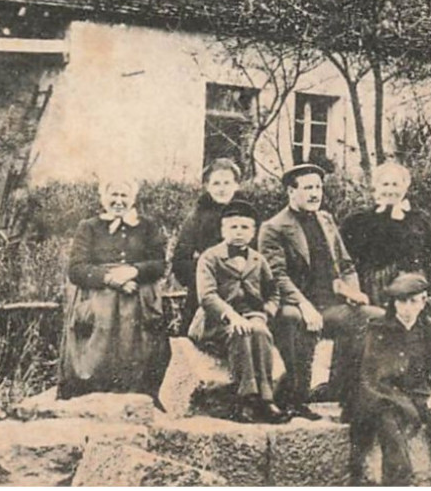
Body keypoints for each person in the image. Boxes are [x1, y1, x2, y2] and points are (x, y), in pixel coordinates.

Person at [260, 163, 384, 420]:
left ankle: (350, 396)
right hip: (292, 303)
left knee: (372, 317)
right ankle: (294, 398)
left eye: (318, 187)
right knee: (294, 320)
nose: (315, 194)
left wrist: (352, 291)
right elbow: (277, 277)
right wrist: (304, 305)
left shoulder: (326, 220)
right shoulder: (273, 227)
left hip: (330, 305)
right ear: (291, 192)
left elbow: (346, 264)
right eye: (308, 188)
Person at [353, 273, 431, 486]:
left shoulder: (428, 330)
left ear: (423, 302)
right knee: (393, 434)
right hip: (385, 397)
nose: (407, 308)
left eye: (413, 301)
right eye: (402, 301)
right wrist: (402, 403)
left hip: (420, 392)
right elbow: (371, 379)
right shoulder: (378, 330)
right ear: (394, 303)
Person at [59, 175, 171, 400]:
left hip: (137, 297)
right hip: (97, 296)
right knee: (93, 352)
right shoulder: (88, 227)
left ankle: (137, 395)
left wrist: (134, 272)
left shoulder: (147, 226)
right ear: (103, 198)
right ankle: (89, 397)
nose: (119, 201)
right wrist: (110, 278)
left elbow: (159, 264)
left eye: (124, 196)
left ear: (133, 199)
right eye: (114, 195)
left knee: (139, 350)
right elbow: (77, 269)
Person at [189, 198, 288, 423]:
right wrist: (232, 316)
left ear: (253, 231)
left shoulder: (258, 260)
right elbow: (207, 296)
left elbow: (273, 294)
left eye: (245, 227)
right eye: (233, 226)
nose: (239, 232)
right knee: (241, 333)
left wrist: (264, 315)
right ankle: (246, 399)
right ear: (223, 229)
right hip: (215, 321)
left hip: (252, 317)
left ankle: (266, 399)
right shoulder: (210, 257)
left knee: (260, 332)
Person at [340, 162, 431, 305]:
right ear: (375, 187)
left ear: (405, 188)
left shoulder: (418, 220)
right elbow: (347, 259)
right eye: (385, 184)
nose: (390, 190)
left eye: (395, 185)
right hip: (375, 287)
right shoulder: (358, 221)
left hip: (413, 285)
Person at [173, 158, 247, 328]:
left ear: (236, 185)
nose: (222, 189)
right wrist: (206, 275)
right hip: (205, 291)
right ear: (207, 186)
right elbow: (180, 262)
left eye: (227, 183)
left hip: (242, 290)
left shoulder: (248, 215)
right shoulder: (196, 218)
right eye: (216, 183)